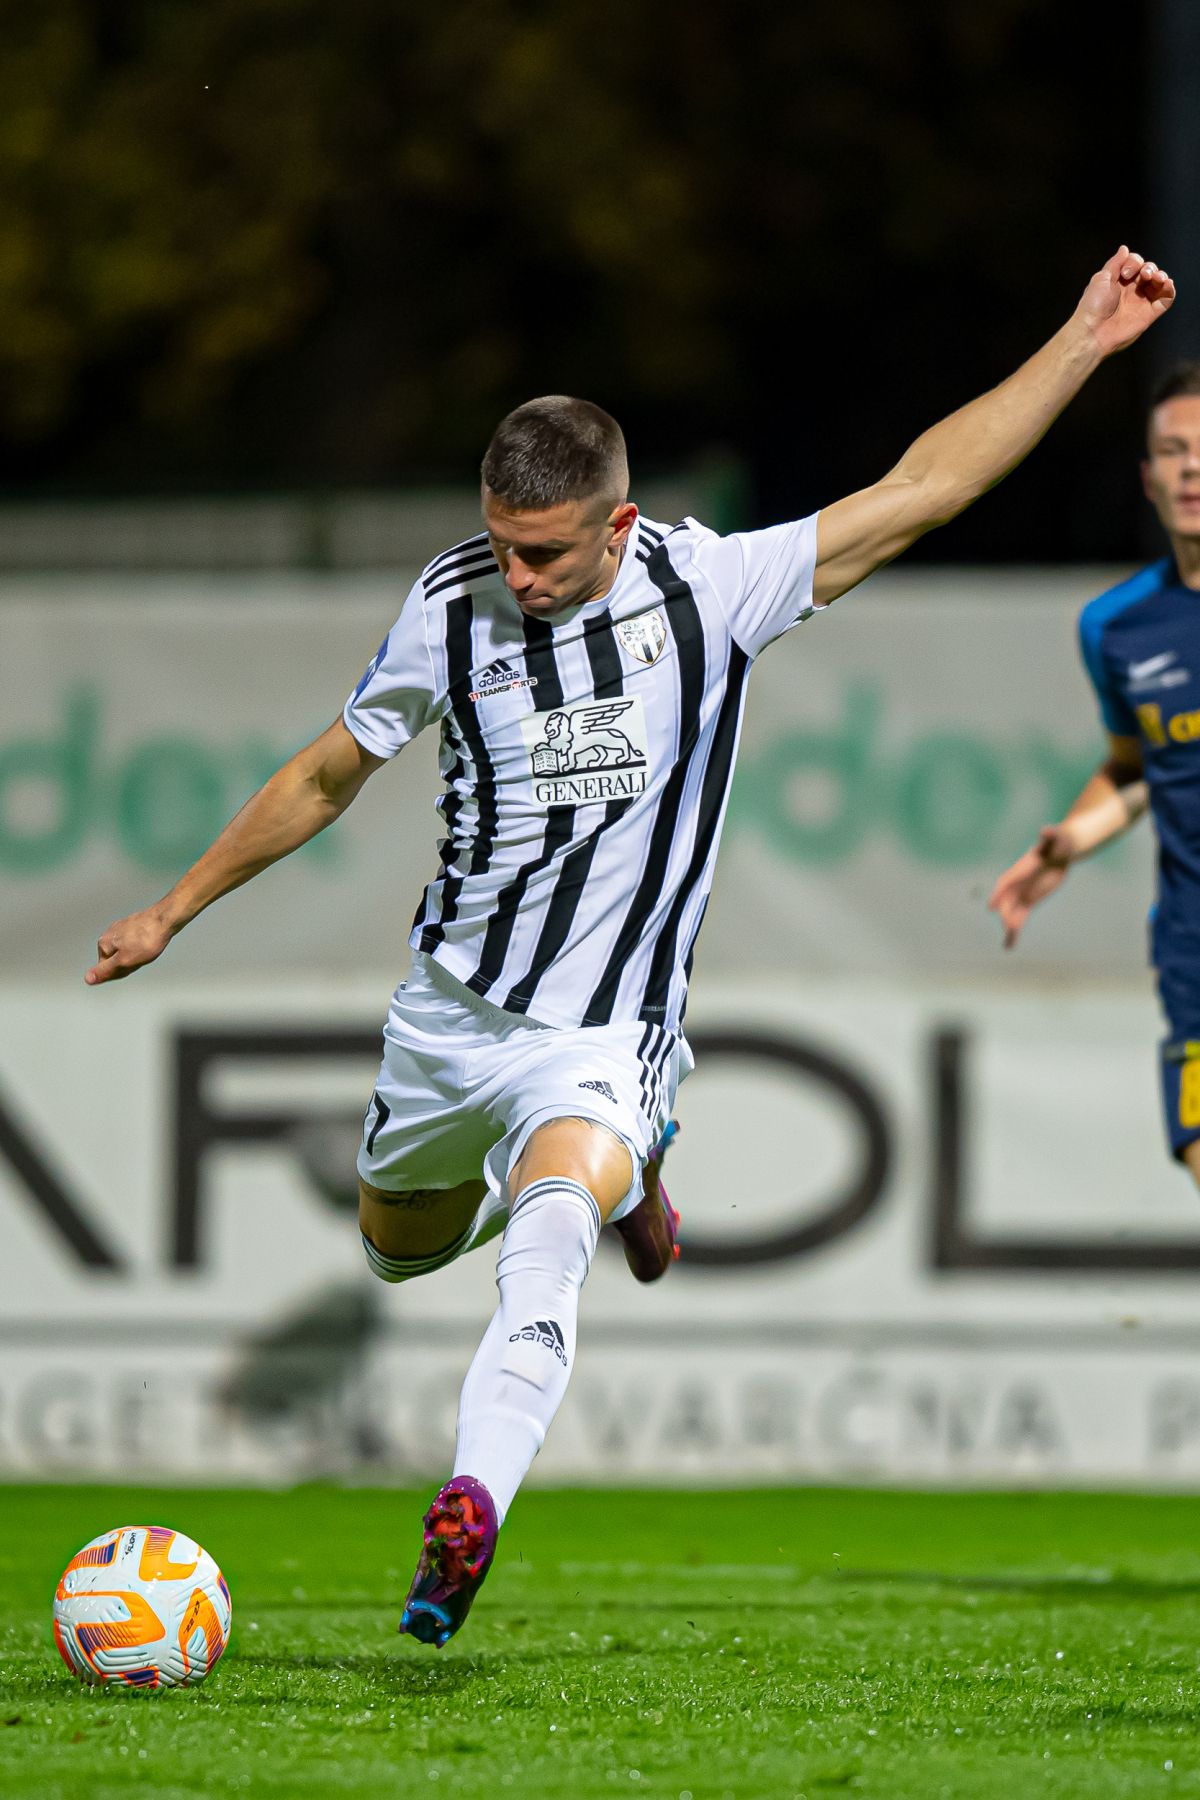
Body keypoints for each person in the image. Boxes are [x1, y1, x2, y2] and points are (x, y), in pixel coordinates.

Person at [86, 247, 1173, 1646]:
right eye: (502, 543)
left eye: (546, 552)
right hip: (451, 1011)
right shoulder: (450, 602)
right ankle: (634, 1174)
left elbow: (927, 486)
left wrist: (1082, 338)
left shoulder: (712, 589)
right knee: (398, 1249)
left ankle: (472, 1504)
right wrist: (173, 907)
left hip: (605, 1030)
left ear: (620, 524)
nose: (519, 575)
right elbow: (325, 772)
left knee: (547, 1230)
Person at [989, 360, 1200, 1186]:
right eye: (1174, 452)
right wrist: (1070, 842)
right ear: (1150, 479)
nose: (1192, 468)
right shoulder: (1116, 627)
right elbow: (1138, 768)